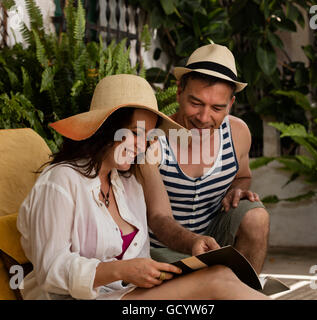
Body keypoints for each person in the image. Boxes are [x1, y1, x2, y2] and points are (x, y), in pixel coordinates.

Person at [17, 74, 268, 300]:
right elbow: (50, 269)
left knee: (222, 274)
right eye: (135, 133)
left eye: (149, 136)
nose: (143, 145)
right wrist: (120, 270)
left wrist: (157, 271)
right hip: (75, 298)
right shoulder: (60, 181)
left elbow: (146, 245)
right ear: (107, 128)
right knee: (214, 282)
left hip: (124, 295)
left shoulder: (127, 183)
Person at [142, 44, 270, 274]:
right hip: (159, 248)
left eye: (217, 108)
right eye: (196, 103)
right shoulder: (153, 139)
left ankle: (245, 291)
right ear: (179, 92)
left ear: (231, 105)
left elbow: (242, 176)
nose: (204, 117)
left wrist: (237, 190)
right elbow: (157, 217)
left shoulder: (238, 133)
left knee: (256, 217)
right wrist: (193, 242)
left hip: (212, 239)